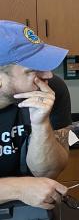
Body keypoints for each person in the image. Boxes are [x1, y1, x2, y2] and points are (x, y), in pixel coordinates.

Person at [0, 20, 72, 210]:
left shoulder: (52, 90)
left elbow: (48, 172)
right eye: (33, 69)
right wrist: (17, 188)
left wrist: (41, 124)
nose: (48, 75)